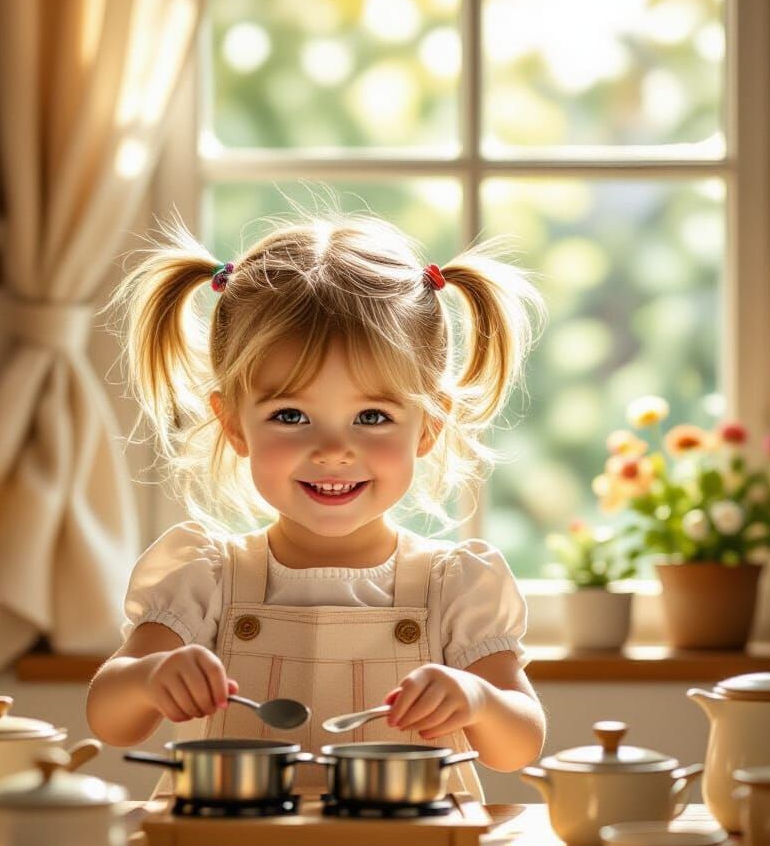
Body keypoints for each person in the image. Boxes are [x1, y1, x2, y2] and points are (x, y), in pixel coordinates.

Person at [86, 210, 547, 799]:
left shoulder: (454, 586)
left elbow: (519, 747)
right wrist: (150, 679)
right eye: (291, 416)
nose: (333, 451)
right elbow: (109, 716)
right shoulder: (204, 575)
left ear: (429, 426)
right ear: (233, 425)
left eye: (373, 417)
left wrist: (477, 700)